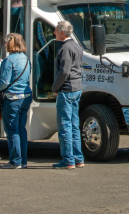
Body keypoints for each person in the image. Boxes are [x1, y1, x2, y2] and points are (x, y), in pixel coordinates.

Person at [0, 33, 31, 169]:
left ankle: (15, 161)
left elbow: (4, 83)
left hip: (12, 97)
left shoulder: (8, 61)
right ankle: (23, 161)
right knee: (21, 129)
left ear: (10, 43)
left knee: (12, 130)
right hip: (26, 97)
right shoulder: (26, 59)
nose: (4, 44)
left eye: (5, 42)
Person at [52, 20, 84, 169]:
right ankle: (78, 158)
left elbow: (64, 71)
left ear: (62, 33)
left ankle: (68, 159)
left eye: (56, 30)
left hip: (66, 89)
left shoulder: (64, 48)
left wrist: (55, 87)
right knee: (74, 125)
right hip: (77, 87)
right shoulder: (76, 46)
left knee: (64, 125)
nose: (54, 33)